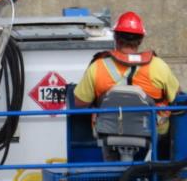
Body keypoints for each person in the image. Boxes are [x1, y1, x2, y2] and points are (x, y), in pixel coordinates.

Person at [74, 11, 181, 161]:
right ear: (141, 39)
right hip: (153, 132)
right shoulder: (159, 66)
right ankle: (162, 170)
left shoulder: (98, 66)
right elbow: (176, 96)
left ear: (116, 37)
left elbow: (80, 102)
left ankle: (113, 173)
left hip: (110, 133)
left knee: (110, 153)